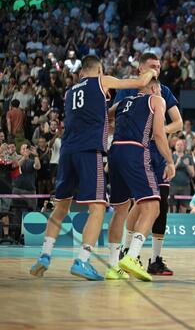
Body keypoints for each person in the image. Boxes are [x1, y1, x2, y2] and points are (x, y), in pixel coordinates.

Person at [30, 55, 157, 281]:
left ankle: (44, 256)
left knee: (60, 207)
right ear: (98, 70)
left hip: (67, 151)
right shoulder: (102, 80)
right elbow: (137, 83)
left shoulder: (70, 92)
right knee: (97, 208)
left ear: (80, 73)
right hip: (89, 151)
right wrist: (150, 73)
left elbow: (93, 115)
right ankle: (82, 260)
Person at [112, 52, 183, 277]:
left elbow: (178, 123)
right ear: (140, 68)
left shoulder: (163, 91)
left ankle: (153, 258)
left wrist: (157, 130)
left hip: (149, 151)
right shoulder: (128, 89)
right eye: (152, 65)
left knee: (156, 204)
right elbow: (114, 116)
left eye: (159, 66)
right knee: (141, 205)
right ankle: (128, 254)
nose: (157, 69)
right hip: (137, 150)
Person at [170, 139, 195, 213]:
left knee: (183, 207)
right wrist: (177, 164)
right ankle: (171, 224)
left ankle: (182, 223)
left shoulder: (189, 157)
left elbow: (193, 174)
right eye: (178, 145)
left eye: (181, 145)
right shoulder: (171, 157)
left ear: (184, 147)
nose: (180, 146)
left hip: (185, 186)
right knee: (171, 207)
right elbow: (169, 173)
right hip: (173, 185)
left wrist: (187, 166)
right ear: (175, 147)